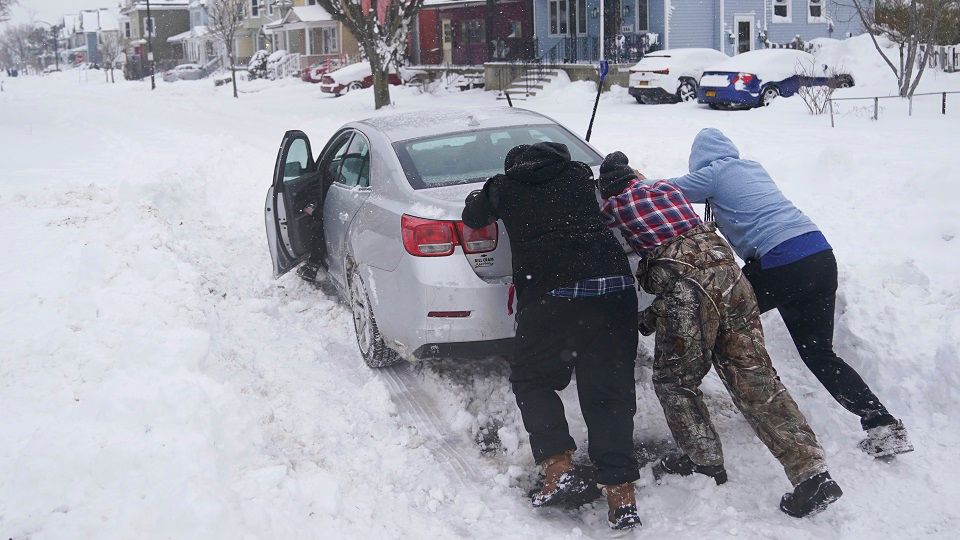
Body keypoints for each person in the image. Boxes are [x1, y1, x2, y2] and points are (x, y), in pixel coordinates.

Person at [597, 151, 842, 518]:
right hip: (734, 281)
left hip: (689, 290)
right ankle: (812, 473)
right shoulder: (666, 190)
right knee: (754, 376)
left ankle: (703, 460)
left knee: (674, 380)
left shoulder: (615, 207)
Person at [658, 128, 913, 459]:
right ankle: (883, 423)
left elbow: (664, 192)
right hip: (819, 256)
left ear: (700, 161)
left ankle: (762, 407)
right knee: (819, 352)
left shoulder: (717, 172)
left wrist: (630, 181)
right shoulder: (752, 167)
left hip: (781, 260)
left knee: (720, 320)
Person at [462, 142, 642, 531]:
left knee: (532, 379)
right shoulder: (578, 175)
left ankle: (559, 468)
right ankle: (621, 495)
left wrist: (483, 194)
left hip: (553, 292)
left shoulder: (503, 187)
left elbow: (473, 216)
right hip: (614, 288)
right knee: (610, 392)